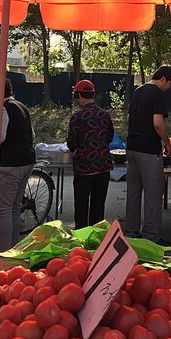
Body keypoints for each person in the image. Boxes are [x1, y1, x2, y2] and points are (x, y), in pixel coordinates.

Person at [0, 76, 35, 252]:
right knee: (14, 208)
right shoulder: (21, 106)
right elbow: (32, 134)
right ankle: (13, 250)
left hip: (10, 165)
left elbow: (0, 137)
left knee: (2, 210)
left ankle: (2, 253)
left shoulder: (2, 109)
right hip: (27, 162)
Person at [125, 65, 171, 245]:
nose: (169, 88)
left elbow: (130, 116)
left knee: (133, 192)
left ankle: (131, 232)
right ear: (163, 79)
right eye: (169, 84)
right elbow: (157, 123)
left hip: (131, 147)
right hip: (148, 149)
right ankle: (150, 237)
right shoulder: (157, 95)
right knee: (153, 194)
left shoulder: (138, 91)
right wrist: (167, 142)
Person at [67, 80, 114, 229]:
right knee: (98, 206)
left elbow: (72, 144)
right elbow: (110, 137)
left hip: (84, 167)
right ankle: (96, 240)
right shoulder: (105, 115)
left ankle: (81, 239)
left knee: (81, 206)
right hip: (103, 166)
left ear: (80, 96)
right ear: (93, 95)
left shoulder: (77, 117)